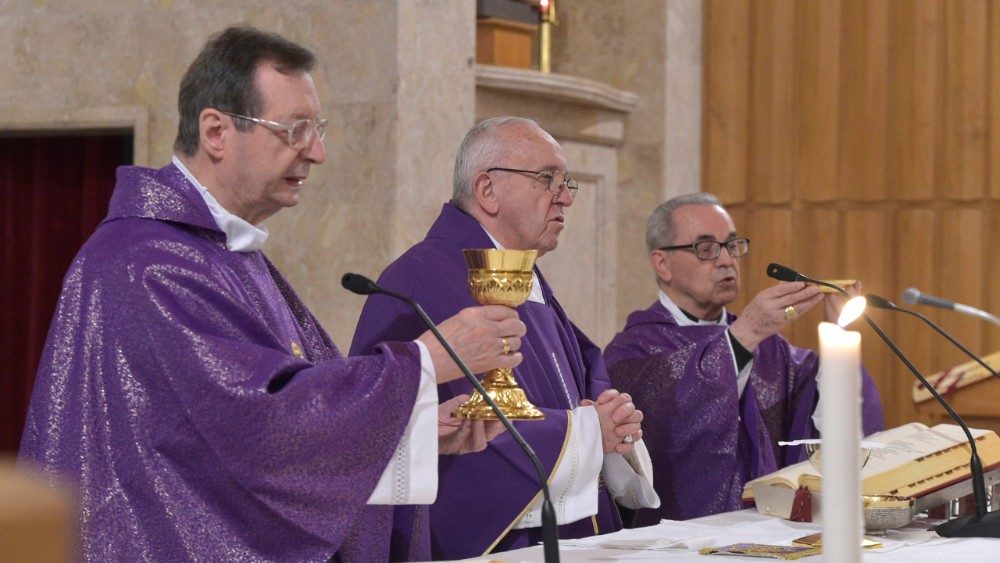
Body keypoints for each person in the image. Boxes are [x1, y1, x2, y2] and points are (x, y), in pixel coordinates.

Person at [17, 26, 527, 562]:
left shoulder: (226, 252)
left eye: (317, 129)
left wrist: (412, 429)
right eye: (295, 130)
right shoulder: (144, 261)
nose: (318, 152)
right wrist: (425, 361)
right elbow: (256, 425)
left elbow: (254, 440)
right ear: (216, 131)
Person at [350, 116, 660, 560]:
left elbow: (581, 376)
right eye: (547, 179)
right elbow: (444, 433)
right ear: (487, 190)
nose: (566, 197)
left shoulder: (525, 278)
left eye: (566, 182)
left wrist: (613, 420)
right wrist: (589, 434)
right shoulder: (421, 279)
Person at [603, 193, 884, 525]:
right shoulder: (634, 350)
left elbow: (821, 428)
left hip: (770, 533)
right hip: (683, 537)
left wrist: (836, 337)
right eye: (706, 248)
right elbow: (666, 433)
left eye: (732, 246)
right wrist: (744, 336)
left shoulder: (770, 347)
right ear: (662, 263)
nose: (726, 260)